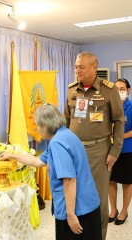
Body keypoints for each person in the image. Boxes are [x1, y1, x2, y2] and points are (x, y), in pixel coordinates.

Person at [0, 104, 102, 240]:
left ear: (46, 125)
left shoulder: (57, 143)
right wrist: (12, 156)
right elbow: (38, 162)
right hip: (88, 203)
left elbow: (69, 180)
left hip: (77, 210)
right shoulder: (66, 135)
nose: (37, 130)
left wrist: (70, 215)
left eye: (38, 126)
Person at [65, 52, 124, 240]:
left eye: (81, 67)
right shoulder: (72, 89)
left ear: (94, 67)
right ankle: (79, 233)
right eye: (76, 66)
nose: (77, 70)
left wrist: (115, 151)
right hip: (74, 150)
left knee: (97, 198)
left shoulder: (109, 90)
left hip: (99, 151)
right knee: (74, 194)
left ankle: (98, 236)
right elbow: (67, 120)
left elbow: (119, 121)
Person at [108, 78, 132, 225]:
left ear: (128, 90)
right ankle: (113, 210)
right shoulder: (109, 106)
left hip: (127, 149)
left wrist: (121, 136)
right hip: (110, 150)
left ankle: (124, 211)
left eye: (122, 88)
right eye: (116, 88)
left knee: (127, 182)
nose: (119, 91)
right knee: (111, 180)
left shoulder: (131, 106)